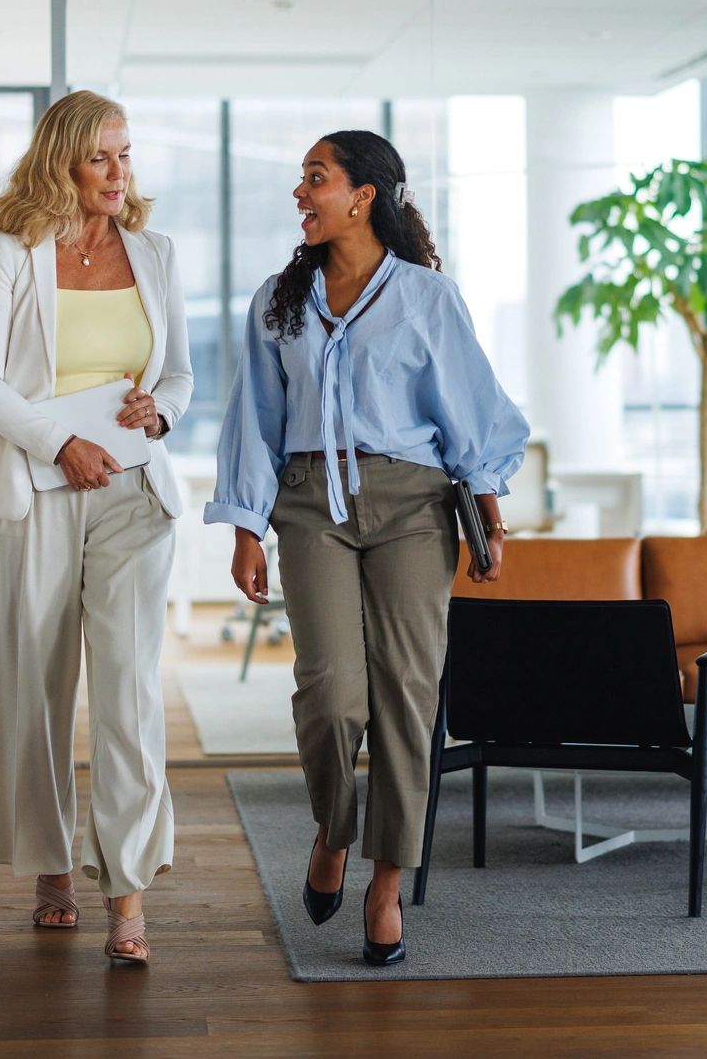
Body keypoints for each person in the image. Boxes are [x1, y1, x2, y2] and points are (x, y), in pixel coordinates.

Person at [206, 129, 527, 968]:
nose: (301, 193)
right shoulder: (278, 299)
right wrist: (246, 526)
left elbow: (471, 411)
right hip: (310, 505)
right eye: (301, 180)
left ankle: (385, 887)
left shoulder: (427, 298)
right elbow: (254, 420)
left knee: (406, 700)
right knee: (331, 695)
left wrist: (488, 513)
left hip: (414, 507)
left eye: (317, 178)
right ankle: (331, 828)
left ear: (365, 195)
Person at [0, 90, 192, 966]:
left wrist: (158, 411)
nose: (118, 173)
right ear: (61, 160)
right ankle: (51, 866)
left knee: (129, 687)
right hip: (37, 485)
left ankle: (126, 893)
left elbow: (179, 375)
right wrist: (63, 442)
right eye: (101, 157)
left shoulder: (155, 252)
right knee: (38, 687)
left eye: (126, 155)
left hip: (132, 487)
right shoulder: (10, 250)